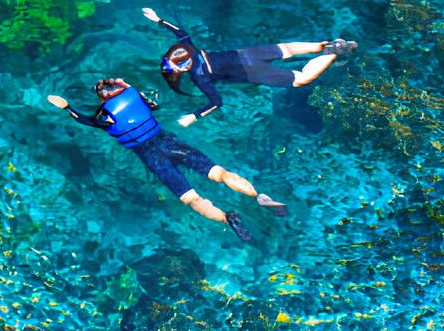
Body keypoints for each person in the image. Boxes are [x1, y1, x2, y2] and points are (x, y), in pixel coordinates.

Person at [47, 79, 287, 241]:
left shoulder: (105, 117)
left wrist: (67, 106)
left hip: (151, 156)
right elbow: (154, 103)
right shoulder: (137, 98)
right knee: (219, 173)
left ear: (102, 98)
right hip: (170, 143)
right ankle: (259, 196)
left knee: (192, 199)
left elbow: (85, 120)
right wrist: (128, 87)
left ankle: (227, 218)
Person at [146, 6, 358, 127]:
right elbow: (181, 32)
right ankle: (328, 45)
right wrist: (158, 19)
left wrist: (194, 116)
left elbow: (216, 102)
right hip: (248, 54)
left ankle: (332, 54)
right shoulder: (189, 48)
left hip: (252, 72)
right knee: (289, 49)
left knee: (302, 78)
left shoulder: (199, 77)